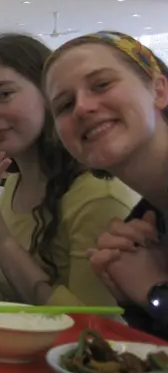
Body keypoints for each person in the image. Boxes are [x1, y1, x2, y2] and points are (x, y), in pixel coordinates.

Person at [0, 33, 139, 305]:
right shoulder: (15, 182)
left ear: (50, 93)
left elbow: (91, 329)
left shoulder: (97, 193)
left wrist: (1, 240)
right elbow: (12, 292)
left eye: (4, 94)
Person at [43, 31, 168, 337]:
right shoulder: (144, 223)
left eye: (101, 85)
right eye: (64, 105)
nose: (82, 108)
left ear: (159, 90)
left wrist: (155, 291)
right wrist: (135, 300)